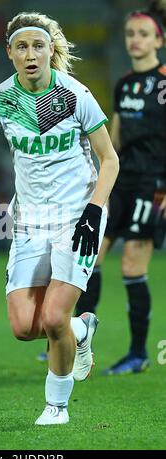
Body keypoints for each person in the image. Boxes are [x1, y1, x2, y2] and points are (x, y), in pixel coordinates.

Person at [0, 11, 119, 425]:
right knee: (26, 327)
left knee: (54, 317)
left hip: (79, 216)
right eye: (21, 46)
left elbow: (109, 159)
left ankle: (56, 407)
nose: (30, 54)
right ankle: (81, 332)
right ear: (9, 53)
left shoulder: (76, 95)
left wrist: (94, 211)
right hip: (28, 222)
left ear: (50, 50)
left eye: (38, 45)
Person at [75, 0, 166, 375]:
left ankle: (137, 352)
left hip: (153, 184)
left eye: (143, 34)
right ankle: (78, 339)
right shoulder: (124, 83)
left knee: (131, 264)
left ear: (159, 40)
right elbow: (113, 135)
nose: (135, 40)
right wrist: (99, 180)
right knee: (90, 257)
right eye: (130, 34)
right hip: (121, 182)